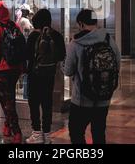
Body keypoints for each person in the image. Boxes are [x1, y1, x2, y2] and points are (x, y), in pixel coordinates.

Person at [63, 9, 121, 144]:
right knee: (99, 133)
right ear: (96, 22)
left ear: (81, 24)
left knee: (76, 132)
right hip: (104, 98)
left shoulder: (75, 43)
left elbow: (68, 71)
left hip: (82, 99)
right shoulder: (108, 39)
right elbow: (117, 63)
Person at [25, 9, 66, 144]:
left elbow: (28, 56)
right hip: (49, 75)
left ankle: (36, 134)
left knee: (34, 103)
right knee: (47, 103)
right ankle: (47, 134)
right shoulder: (57, 36)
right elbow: (61, 56)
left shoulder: (33, 36)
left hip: (34, 75)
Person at [0, 1, 24, 144]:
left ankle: (17, 131)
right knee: (9, 99)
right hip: (15, 68)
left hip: (3, 69)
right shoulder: (14, 25)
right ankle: (7, 126)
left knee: (7, 102)